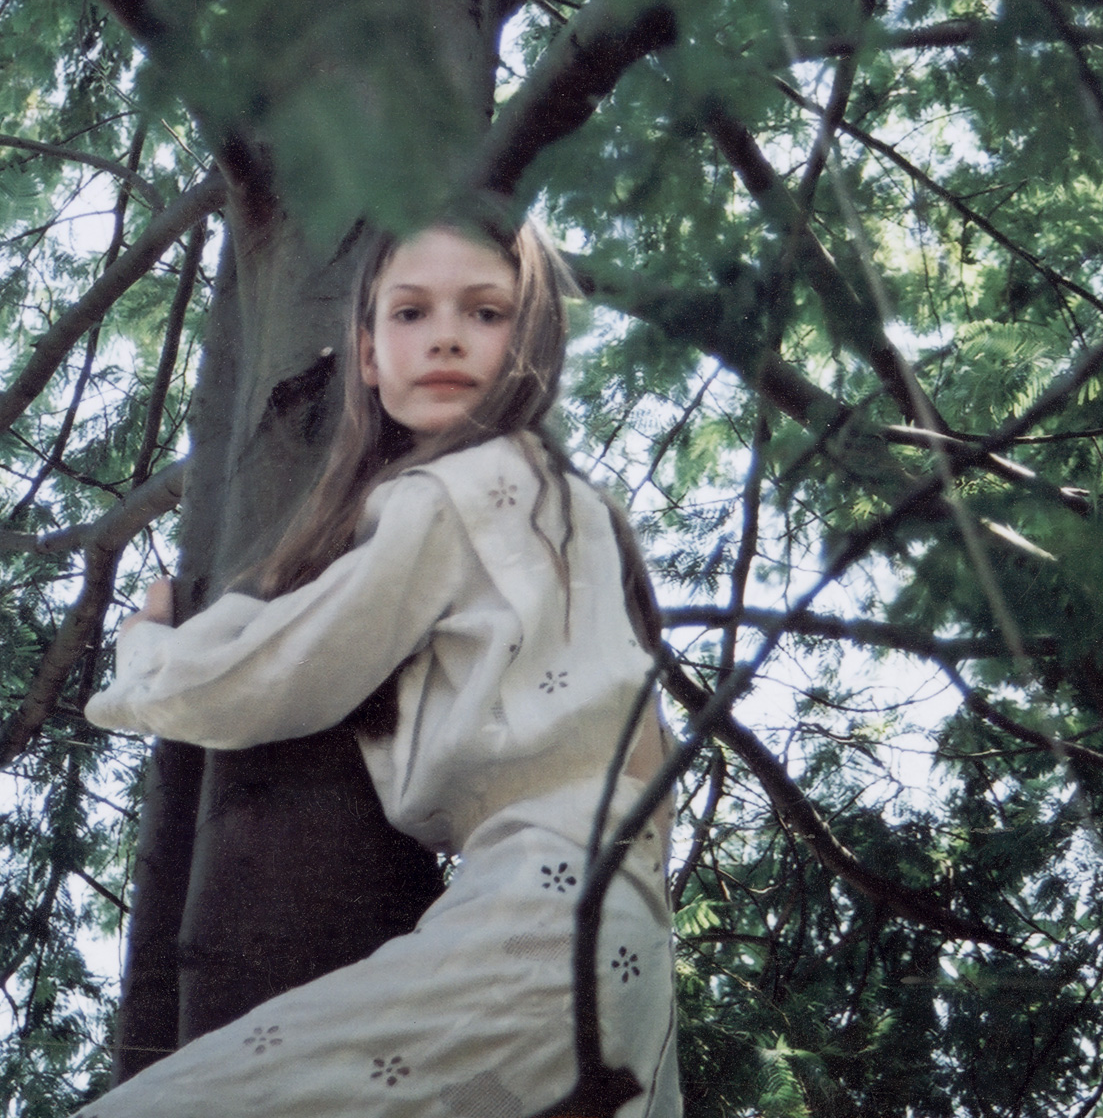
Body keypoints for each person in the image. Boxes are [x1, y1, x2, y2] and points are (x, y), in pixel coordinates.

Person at [77, 220, 681, 1118]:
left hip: (540, 924)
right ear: (365, 354)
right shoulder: (569, 506)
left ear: (535, 345)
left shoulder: (457, 491)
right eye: (411, 312)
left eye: (484, 312)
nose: (444, 335)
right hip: (625, 954)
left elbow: (268, 676)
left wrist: (147, 645)